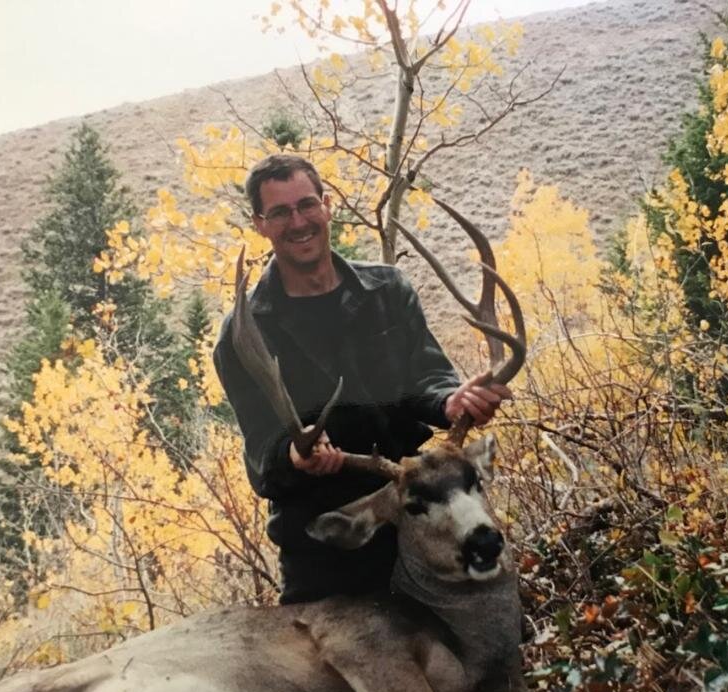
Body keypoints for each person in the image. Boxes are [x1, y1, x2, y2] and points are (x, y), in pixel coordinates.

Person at [214, 154, 510, 604]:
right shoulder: (244, 334)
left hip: (422, 524)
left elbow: (428, 377)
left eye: (307, 205)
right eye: (280, 212)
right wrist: (295, 454)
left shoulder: (387, 291)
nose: (298, 221)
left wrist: (452, 401)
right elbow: (261, 455)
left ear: (327, 206)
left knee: (485, 647)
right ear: (260, 223)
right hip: (326, 546)